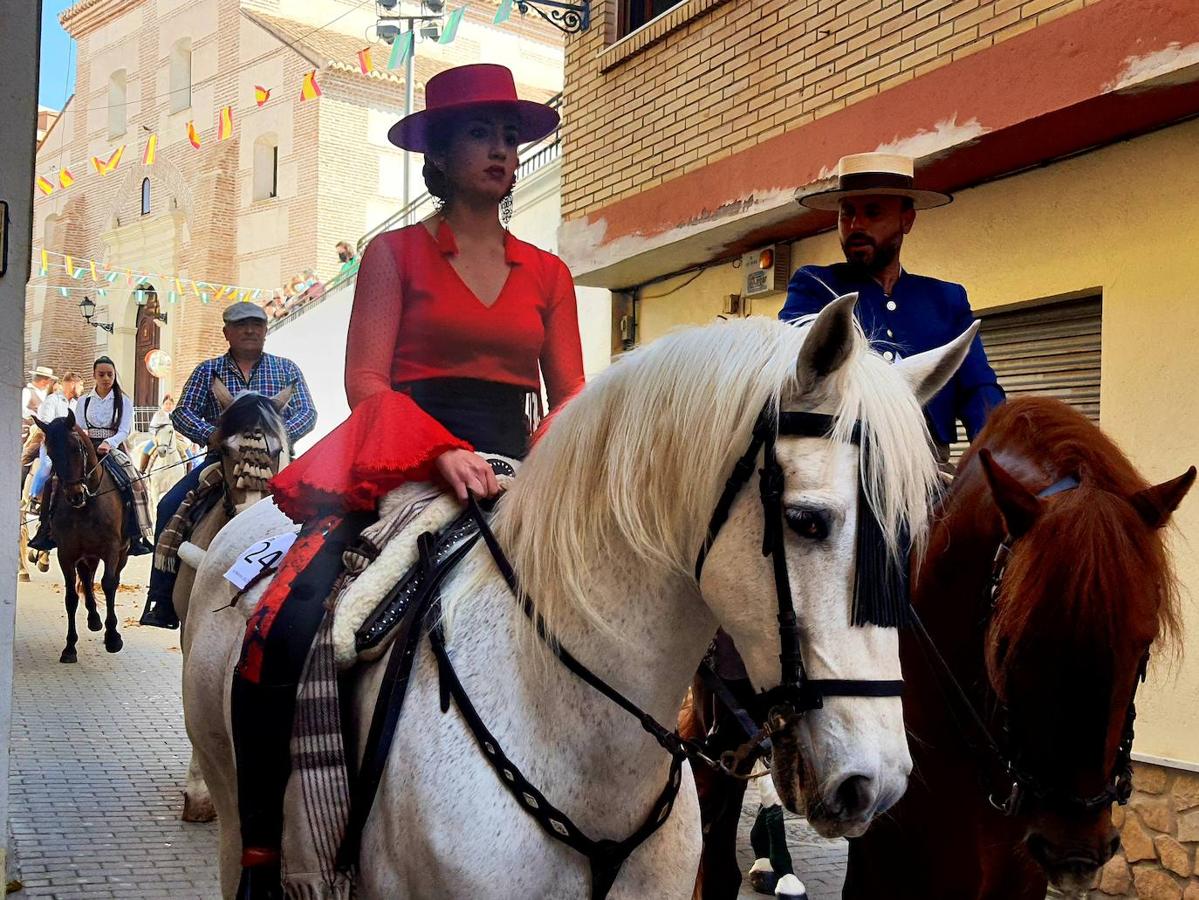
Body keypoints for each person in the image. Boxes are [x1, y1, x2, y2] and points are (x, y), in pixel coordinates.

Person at [230, 63, 585, 897]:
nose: (501, 149)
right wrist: (438, 452)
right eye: (479, 133)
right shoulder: (393, 253)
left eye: (509, 136)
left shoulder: (549, 272)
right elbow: (366, 380)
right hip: (403, 459)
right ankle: (263, 857)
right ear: (439, 154)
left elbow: (570, 394)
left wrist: (546, 462)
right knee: (285, 623)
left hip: (519, 472)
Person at [780, 152, 1004, 460]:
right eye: (847, 213)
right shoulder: (815, 286)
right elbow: (792, 372)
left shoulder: (946, 299)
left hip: (926, 461)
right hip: (840, 455)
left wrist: (998, 454)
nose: (856, 225)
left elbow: (978, 388)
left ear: (906, 220)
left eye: (873, 212)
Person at [138, 301, 317, 630]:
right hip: (223, 461)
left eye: (256, 325)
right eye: (241, 325)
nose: (250, 331)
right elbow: (183, 412)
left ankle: (318, 594)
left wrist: (272, 438)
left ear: (265, 331)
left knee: (322, 511)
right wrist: (214, 436)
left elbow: (308, 413)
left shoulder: (286, 369)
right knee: (169, 506)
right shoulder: (207, 371)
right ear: (227, 332)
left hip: (276, 463)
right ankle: (161, 599)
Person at [29, 358, 155, 555]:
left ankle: (137, 533)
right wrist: (85, 442)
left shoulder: (123, 401)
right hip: (85, 446)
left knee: (135, 482)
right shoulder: (84, 400)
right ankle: (45, 529)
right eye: (101, 374)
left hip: (113, 447)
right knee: (54, 481)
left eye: (110, 374)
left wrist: (109, 443)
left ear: (114, 375)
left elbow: (124, 430)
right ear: (94, 375)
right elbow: (78, 427)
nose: (106, 378)